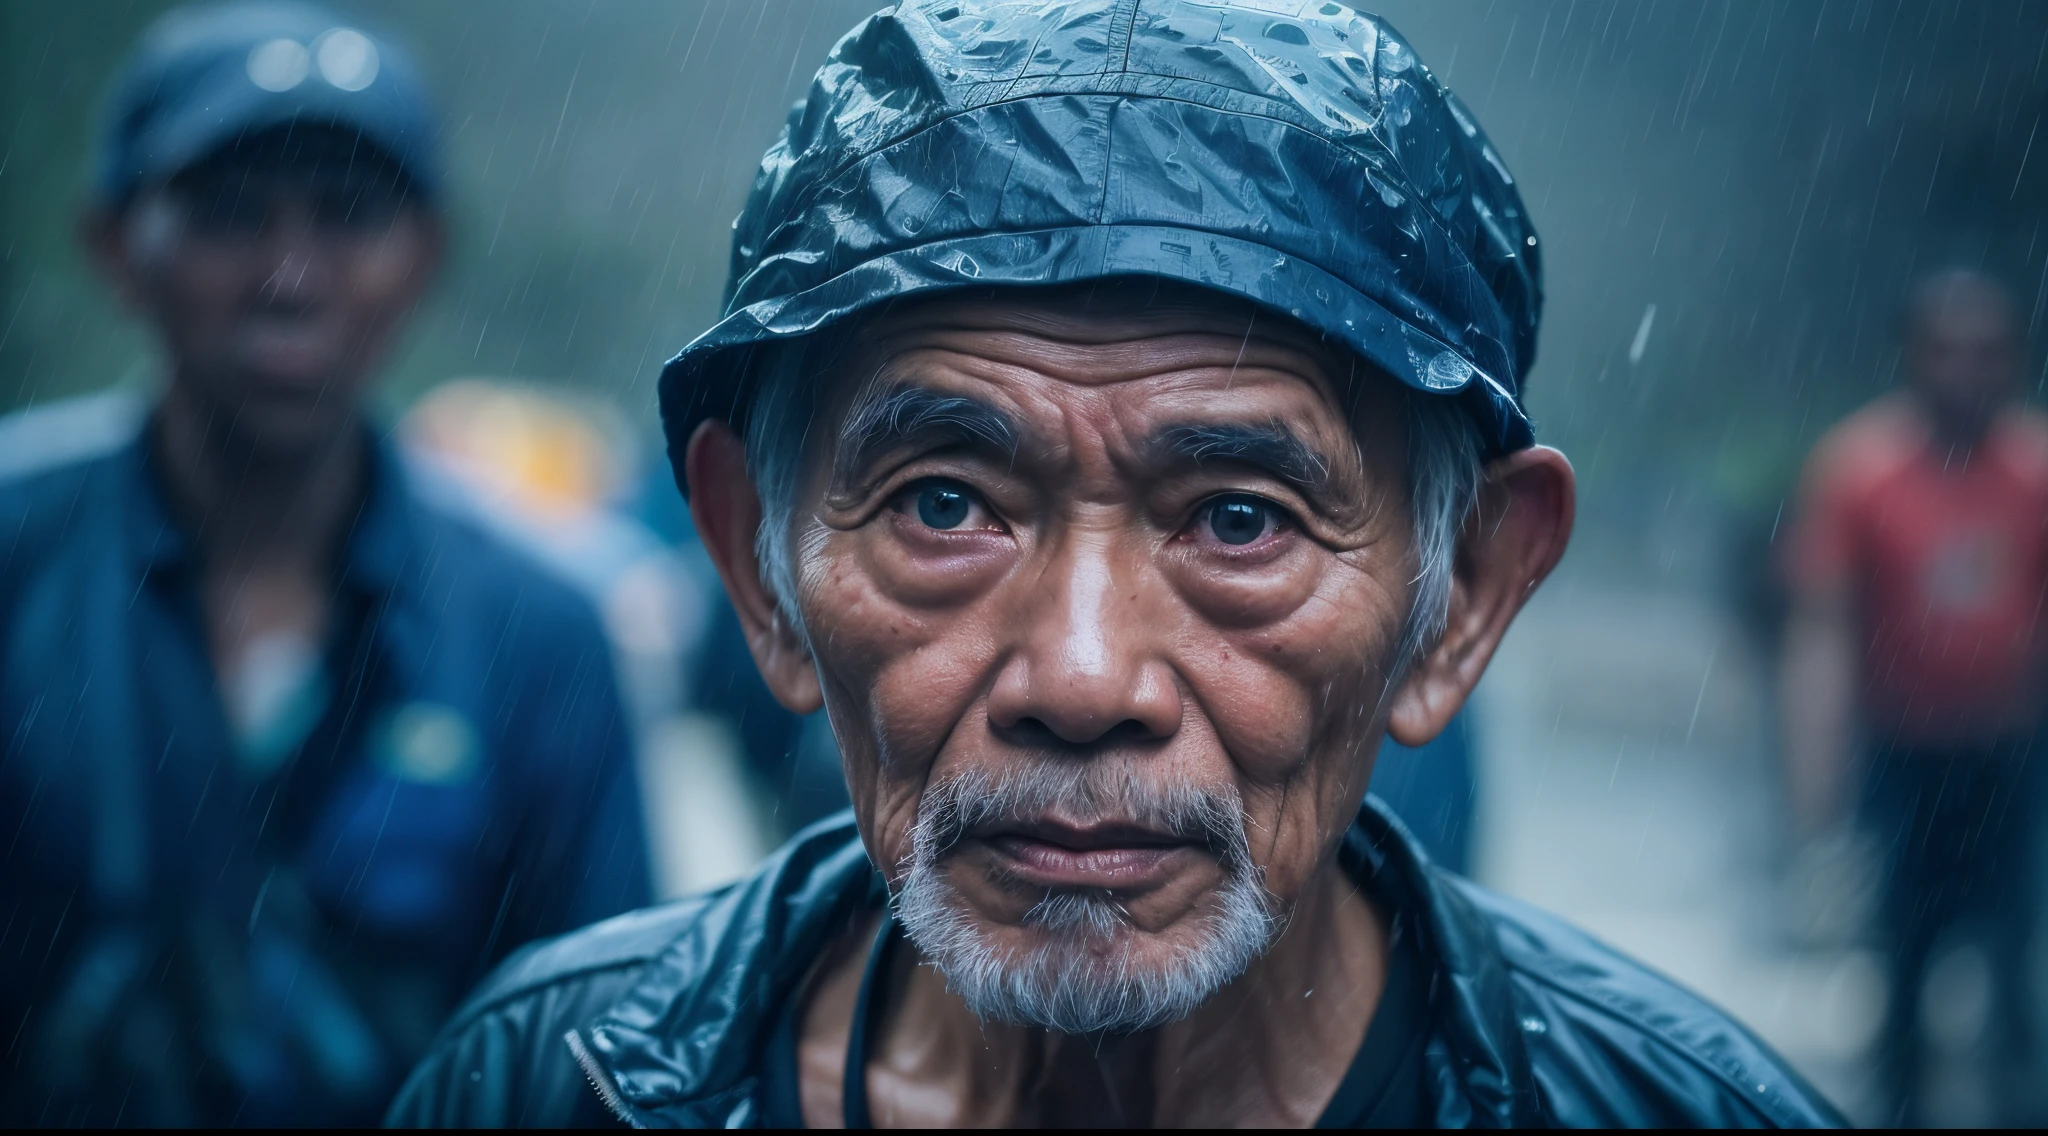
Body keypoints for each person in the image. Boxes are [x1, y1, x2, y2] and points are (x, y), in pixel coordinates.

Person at [391, 2, 1841, 1126]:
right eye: (946, 505)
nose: (1081, 679)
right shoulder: (542, 1085)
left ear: (1460, 595)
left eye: (1238, 519)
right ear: (759, 568)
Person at [0, 3, 648, 1125]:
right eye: (230, 215)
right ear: (116, 247)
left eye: (348, 215)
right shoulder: (18, 553)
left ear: (425, 257)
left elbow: (602, 1042)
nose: (290, 275)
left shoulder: (537, 629)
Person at [1781, 267, 2046, 1125]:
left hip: (2011, 761)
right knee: (1902, 964)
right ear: (1913, 356)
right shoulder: (1863, 472)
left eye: (1986, 351)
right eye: (1948, 350)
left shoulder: (2037, 473)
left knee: (2017, 964)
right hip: (1905, 760)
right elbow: (1823, 630)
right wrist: (1815, 774)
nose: (1967, 369)